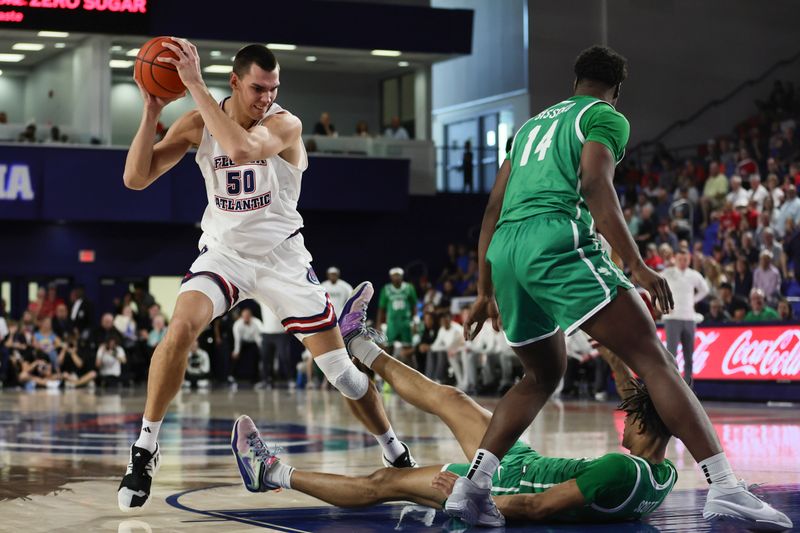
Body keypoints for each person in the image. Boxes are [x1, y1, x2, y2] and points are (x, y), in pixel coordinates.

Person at [444, 45, 790, 529]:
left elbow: (491, 209)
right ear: (617, 91)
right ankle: (726, 486)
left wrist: (484, 290)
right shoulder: (604, 115)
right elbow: (594, 183)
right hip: (554, 235)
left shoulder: (526, 130)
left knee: (540, 376)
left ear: (574, 81)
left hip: (505, 252)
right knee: (654, 358)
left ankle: (471, 488)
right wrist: (636, 263)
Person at [118, 41, 413, 511]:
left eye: (273, 88)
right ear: (234, 82)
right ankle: (145, 449)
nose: (266, 97)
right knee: (179, 330)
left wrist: (193, 85)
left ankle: (395, 449)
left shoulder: (285, 123)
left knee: (344, 377)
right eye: (258, 88)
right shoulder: (198, 122)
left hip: (282, 259)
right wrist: (151, 109)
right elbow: (136, 177)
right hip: (225, 254)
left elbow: (239, 147)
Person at [231, 289, 677, 524]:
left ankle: (269, 472)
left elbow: (536, 510)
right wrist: (614, 353)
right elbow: (645, 394)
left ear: (646, 422)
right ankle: (360, 345)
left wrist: (472, 497)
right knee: (452, 398)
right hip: (523, 463)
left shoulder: (623, 470)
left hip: (504, 486)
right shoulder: (663, 473)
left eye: (628, 417)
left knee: (385, 482)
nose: (622, 424)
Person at [661, 249, 709, 387]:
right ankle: (671, 386)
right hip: (672, 317)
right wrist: (661, 304)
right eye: (680, 259)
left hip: (689, 318)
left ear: (689, 260)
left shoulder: (694, 275)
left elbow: (705, 289)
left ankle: (688, 388)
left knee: (689, 356)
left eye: (685, 259)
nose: (683, 262)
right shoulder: (668, 273)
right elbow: (651, 287)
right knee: (671, 355)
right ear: (675, 259)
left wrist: (693, 300)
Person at [377, 267, 418, 362]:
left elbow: (414, 305)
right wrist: (379, 324)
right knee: (388, 347)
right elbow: (381, 308)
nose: (396, 278)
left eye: (398, 275)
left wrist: (416, 320)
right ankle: (387, 372)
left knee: (408, 347)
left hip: (405, 322)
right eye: (394, 276)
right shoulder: (386, 289)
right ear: (391, 277)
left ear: (402, 276)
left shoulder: (409, 288)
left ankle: (412, 371)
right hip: (392, 322)